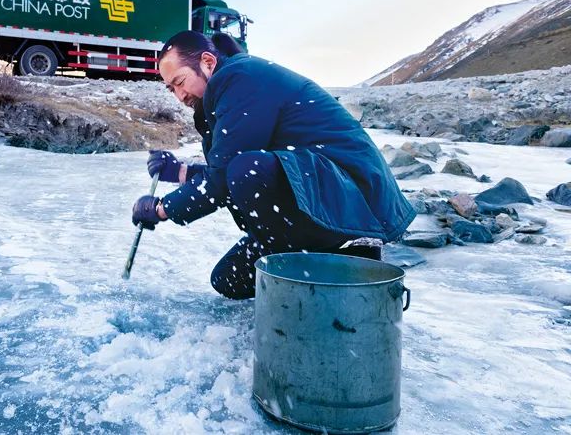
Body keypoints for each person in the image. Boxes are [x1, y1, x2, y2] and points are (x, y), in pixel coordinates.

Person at [131, 31, 415, 300]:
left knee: (247, 170)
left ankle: (347, 252)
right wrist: (180, 172)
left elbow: (226, 178)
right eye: (171, 90)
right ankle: (313, 266)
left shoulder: (241, 78)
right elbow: (225, 169)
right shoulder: (231, 85)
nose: (179, 96)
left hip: (356, 197)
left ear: (207, 62)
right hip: (321, 192)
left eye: (180, 82)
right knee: (229, 279)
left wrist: (161, 209)